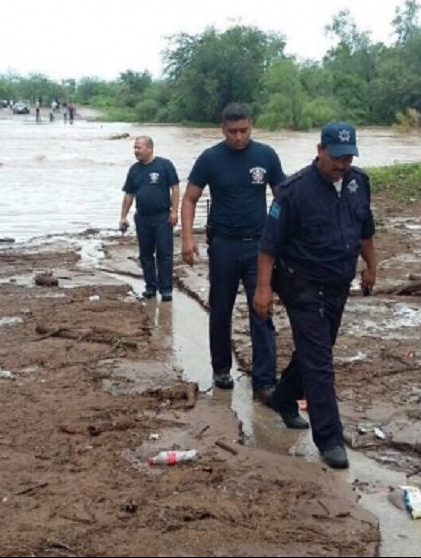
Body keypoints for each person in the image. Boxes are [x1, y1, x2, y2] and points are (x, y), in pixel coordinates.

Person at [253, 121, 377, 470]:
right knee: (320, 362)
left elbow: (365, 229)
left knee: (316, 351)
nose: (342, 164)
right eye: (336, 157)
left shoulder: (359, 183)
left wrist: (371, 266)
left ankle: (282, 398)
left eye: (348, 157)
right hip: (301, 285)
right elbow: (268, 247)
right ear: (320, 150)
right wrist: (263, 289)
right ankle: (330, 439)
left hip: (338, 284)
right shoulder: (293, 191)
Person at [181, 102, 285, 403]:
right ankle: (221, 370)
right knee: (220, 308)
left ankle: (264, 381)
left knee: (262, 310)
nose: (239, 137)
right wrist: (188, 238)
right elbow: (189, 199)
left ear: (251, 126)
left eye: (244, 131)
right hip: (223, 244)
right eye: (232, 132)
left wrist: (285, 240)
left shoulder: (266, 156)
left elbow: (284, 197)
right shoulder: (210, 159)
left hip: (259, 247)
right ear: (222, 129)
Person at [120, 136, 180, 301]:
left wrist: (175, 211)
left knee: (164, 253)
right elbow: (129, 194)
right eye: (135, 148)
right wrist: (123, 216)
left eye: (139, 147)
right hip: (142, 217)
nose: (136, 151)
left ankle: (166, 289)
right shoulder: (134, 170)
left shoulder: (164, 165)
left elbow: (175, 188)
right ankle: (150, 287)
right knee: (145, 255)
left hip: (162, 217)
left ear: (150, 148)